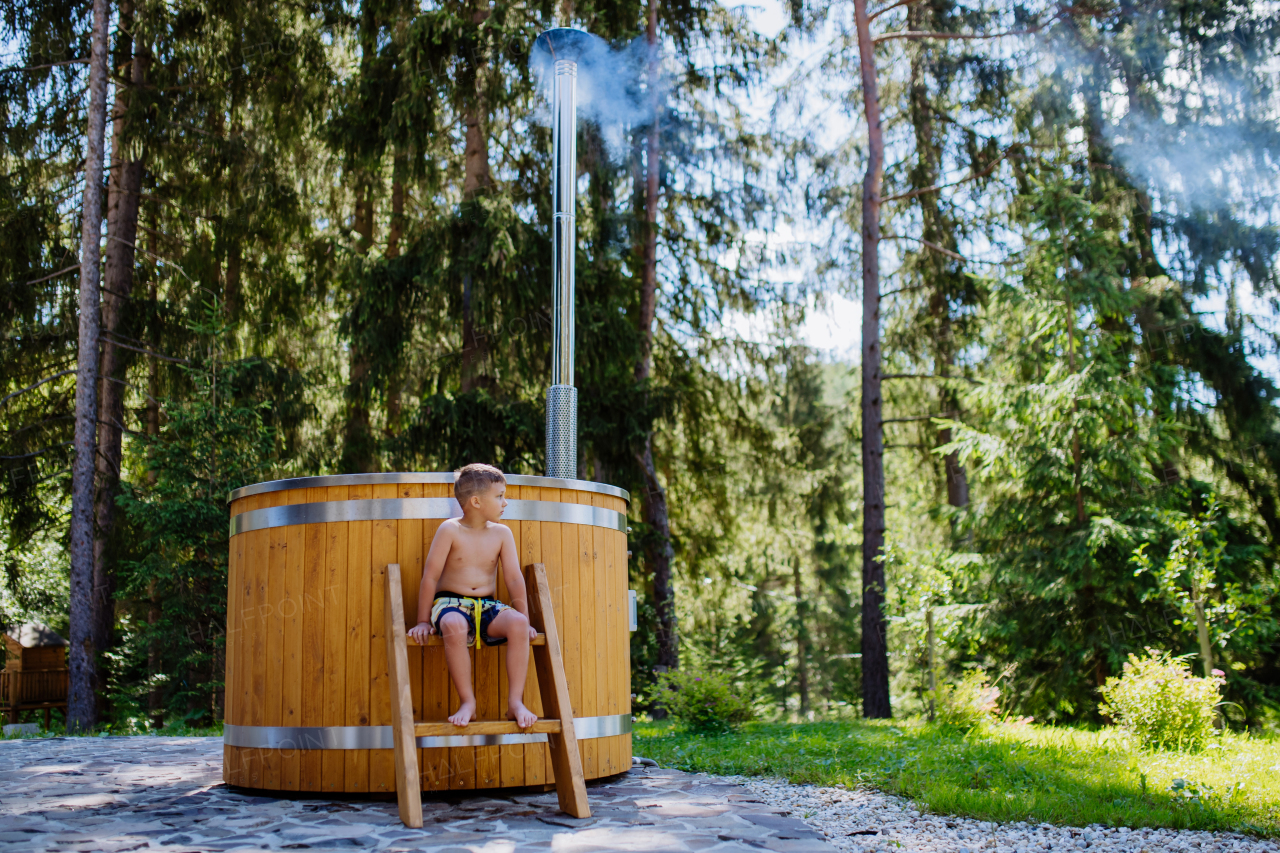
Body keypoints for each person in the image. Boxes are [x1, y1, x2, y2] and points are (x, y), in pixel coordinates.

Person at [407, 463, 539, 728]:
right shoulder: (450, 530)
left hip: (487, 605)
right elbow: (430, 577)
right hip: (450, 603)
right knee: (454, 625)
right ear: (476, 501)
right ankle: (468, 701)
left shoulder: (502, 534)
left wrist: (524, 618)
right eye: (500, 496)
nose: (505, 502)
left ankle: (515, 702)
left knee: (518, 624)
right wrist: (423, 621)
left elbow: (513, 578)